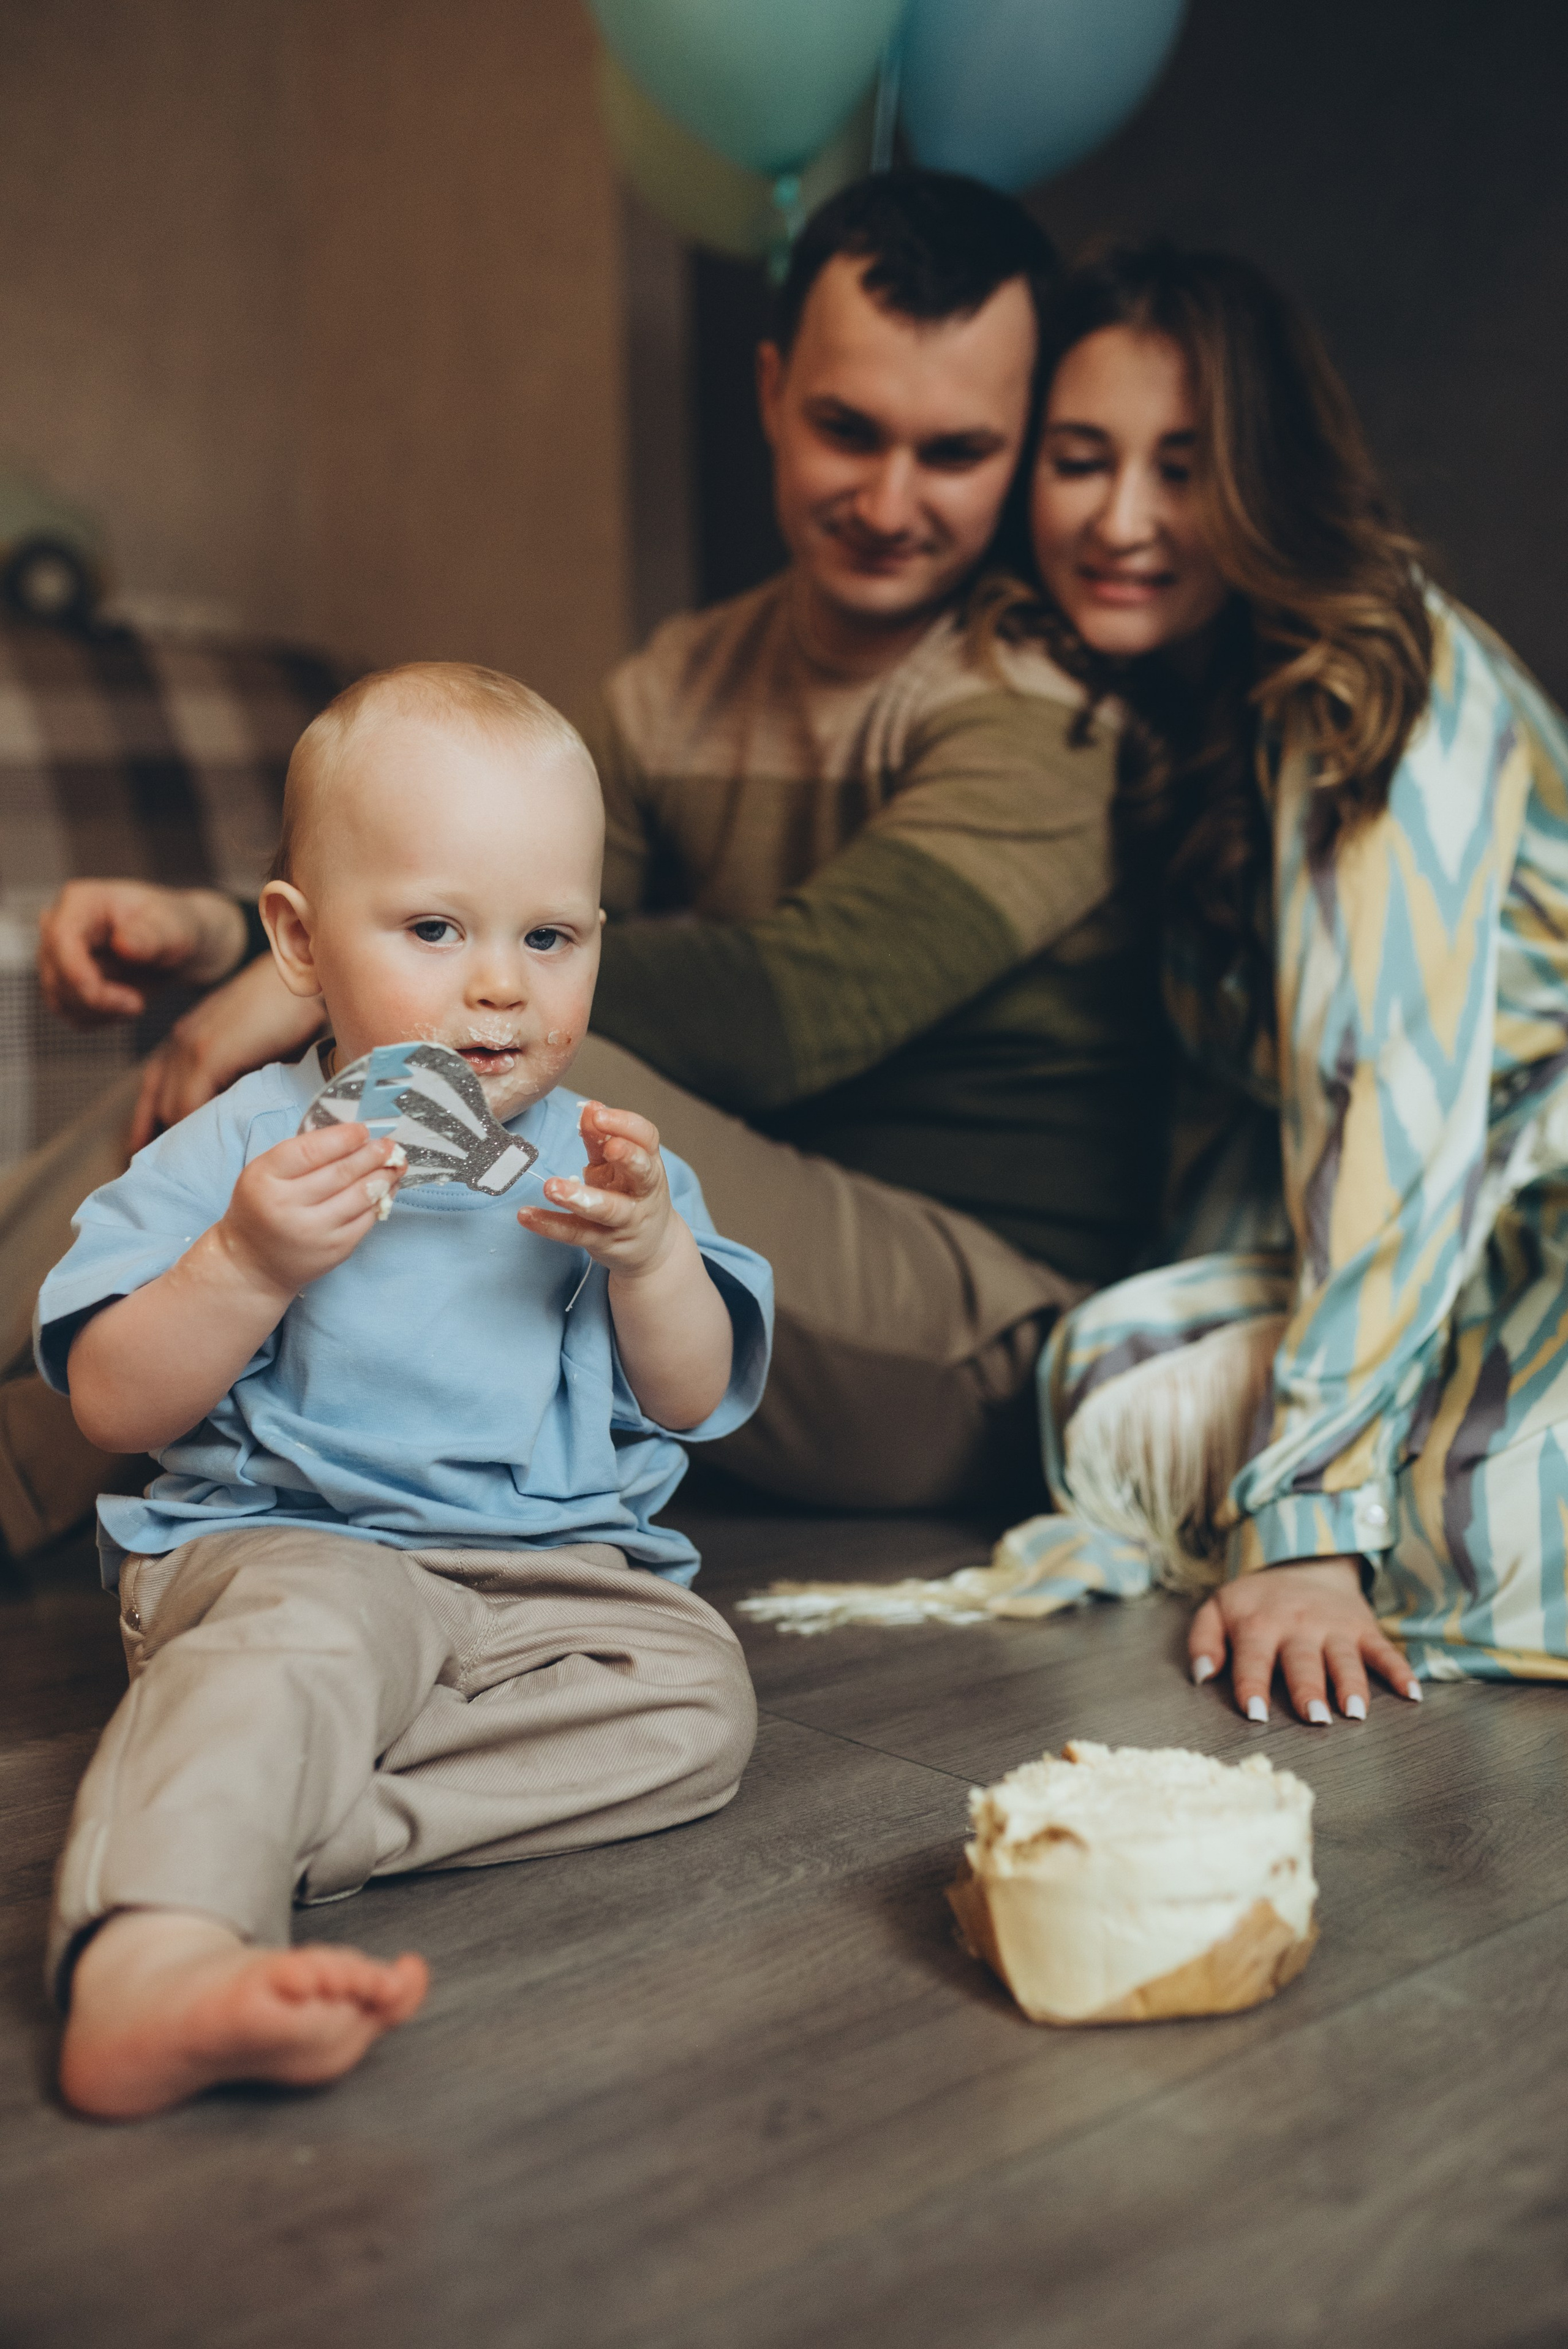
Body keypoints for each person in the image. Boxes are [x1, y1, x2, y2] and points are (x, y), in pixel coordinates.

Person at [31, 170, 1161, 1520]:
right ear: (768, 393)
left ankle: (23, 1467)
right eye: (846, 430)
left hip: (967, 1330)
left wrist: (300, 983)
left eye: (956, 451)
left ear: (1021, 441)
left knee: (457, 1060)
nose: (889, 495)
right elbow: (497, 899)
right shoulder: (684, 677)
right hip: (732, 1223)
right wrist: (233, 934)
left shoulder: (1050, 716)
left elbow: (775, 1014)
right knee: (367, 1046)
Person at [37, 661, 771, 2117]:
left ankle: (292, 1818)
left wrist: (650, 1256)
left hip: (550, 1580)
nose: (499, 984)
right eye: (434, 929)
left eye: (549, 935)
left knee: (699, 1700)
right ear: (301, 942)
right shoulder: (233, 1151)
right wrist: (243, 1263)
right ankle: (151, 1958)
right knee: (304, 1643)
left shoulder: (611, 1164)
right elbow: (111, 1404)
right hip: (295, 1552)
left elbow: (688, 1397)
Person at [993, 240, 1568, 1720]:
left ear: (1265, 481)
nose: (1122, 520)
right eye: (1078, 459)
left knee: (1447, 1496)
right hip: (1438, 1261)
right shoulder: (1191, 714)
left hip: (1513, 1207)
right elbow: (1242, 1143)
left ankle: (1370, 1498)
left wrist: (1305, 1517)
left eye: (1183, 468)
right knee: (1101, 1373)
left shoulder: (1380, 674)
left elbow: (1388, 1097)